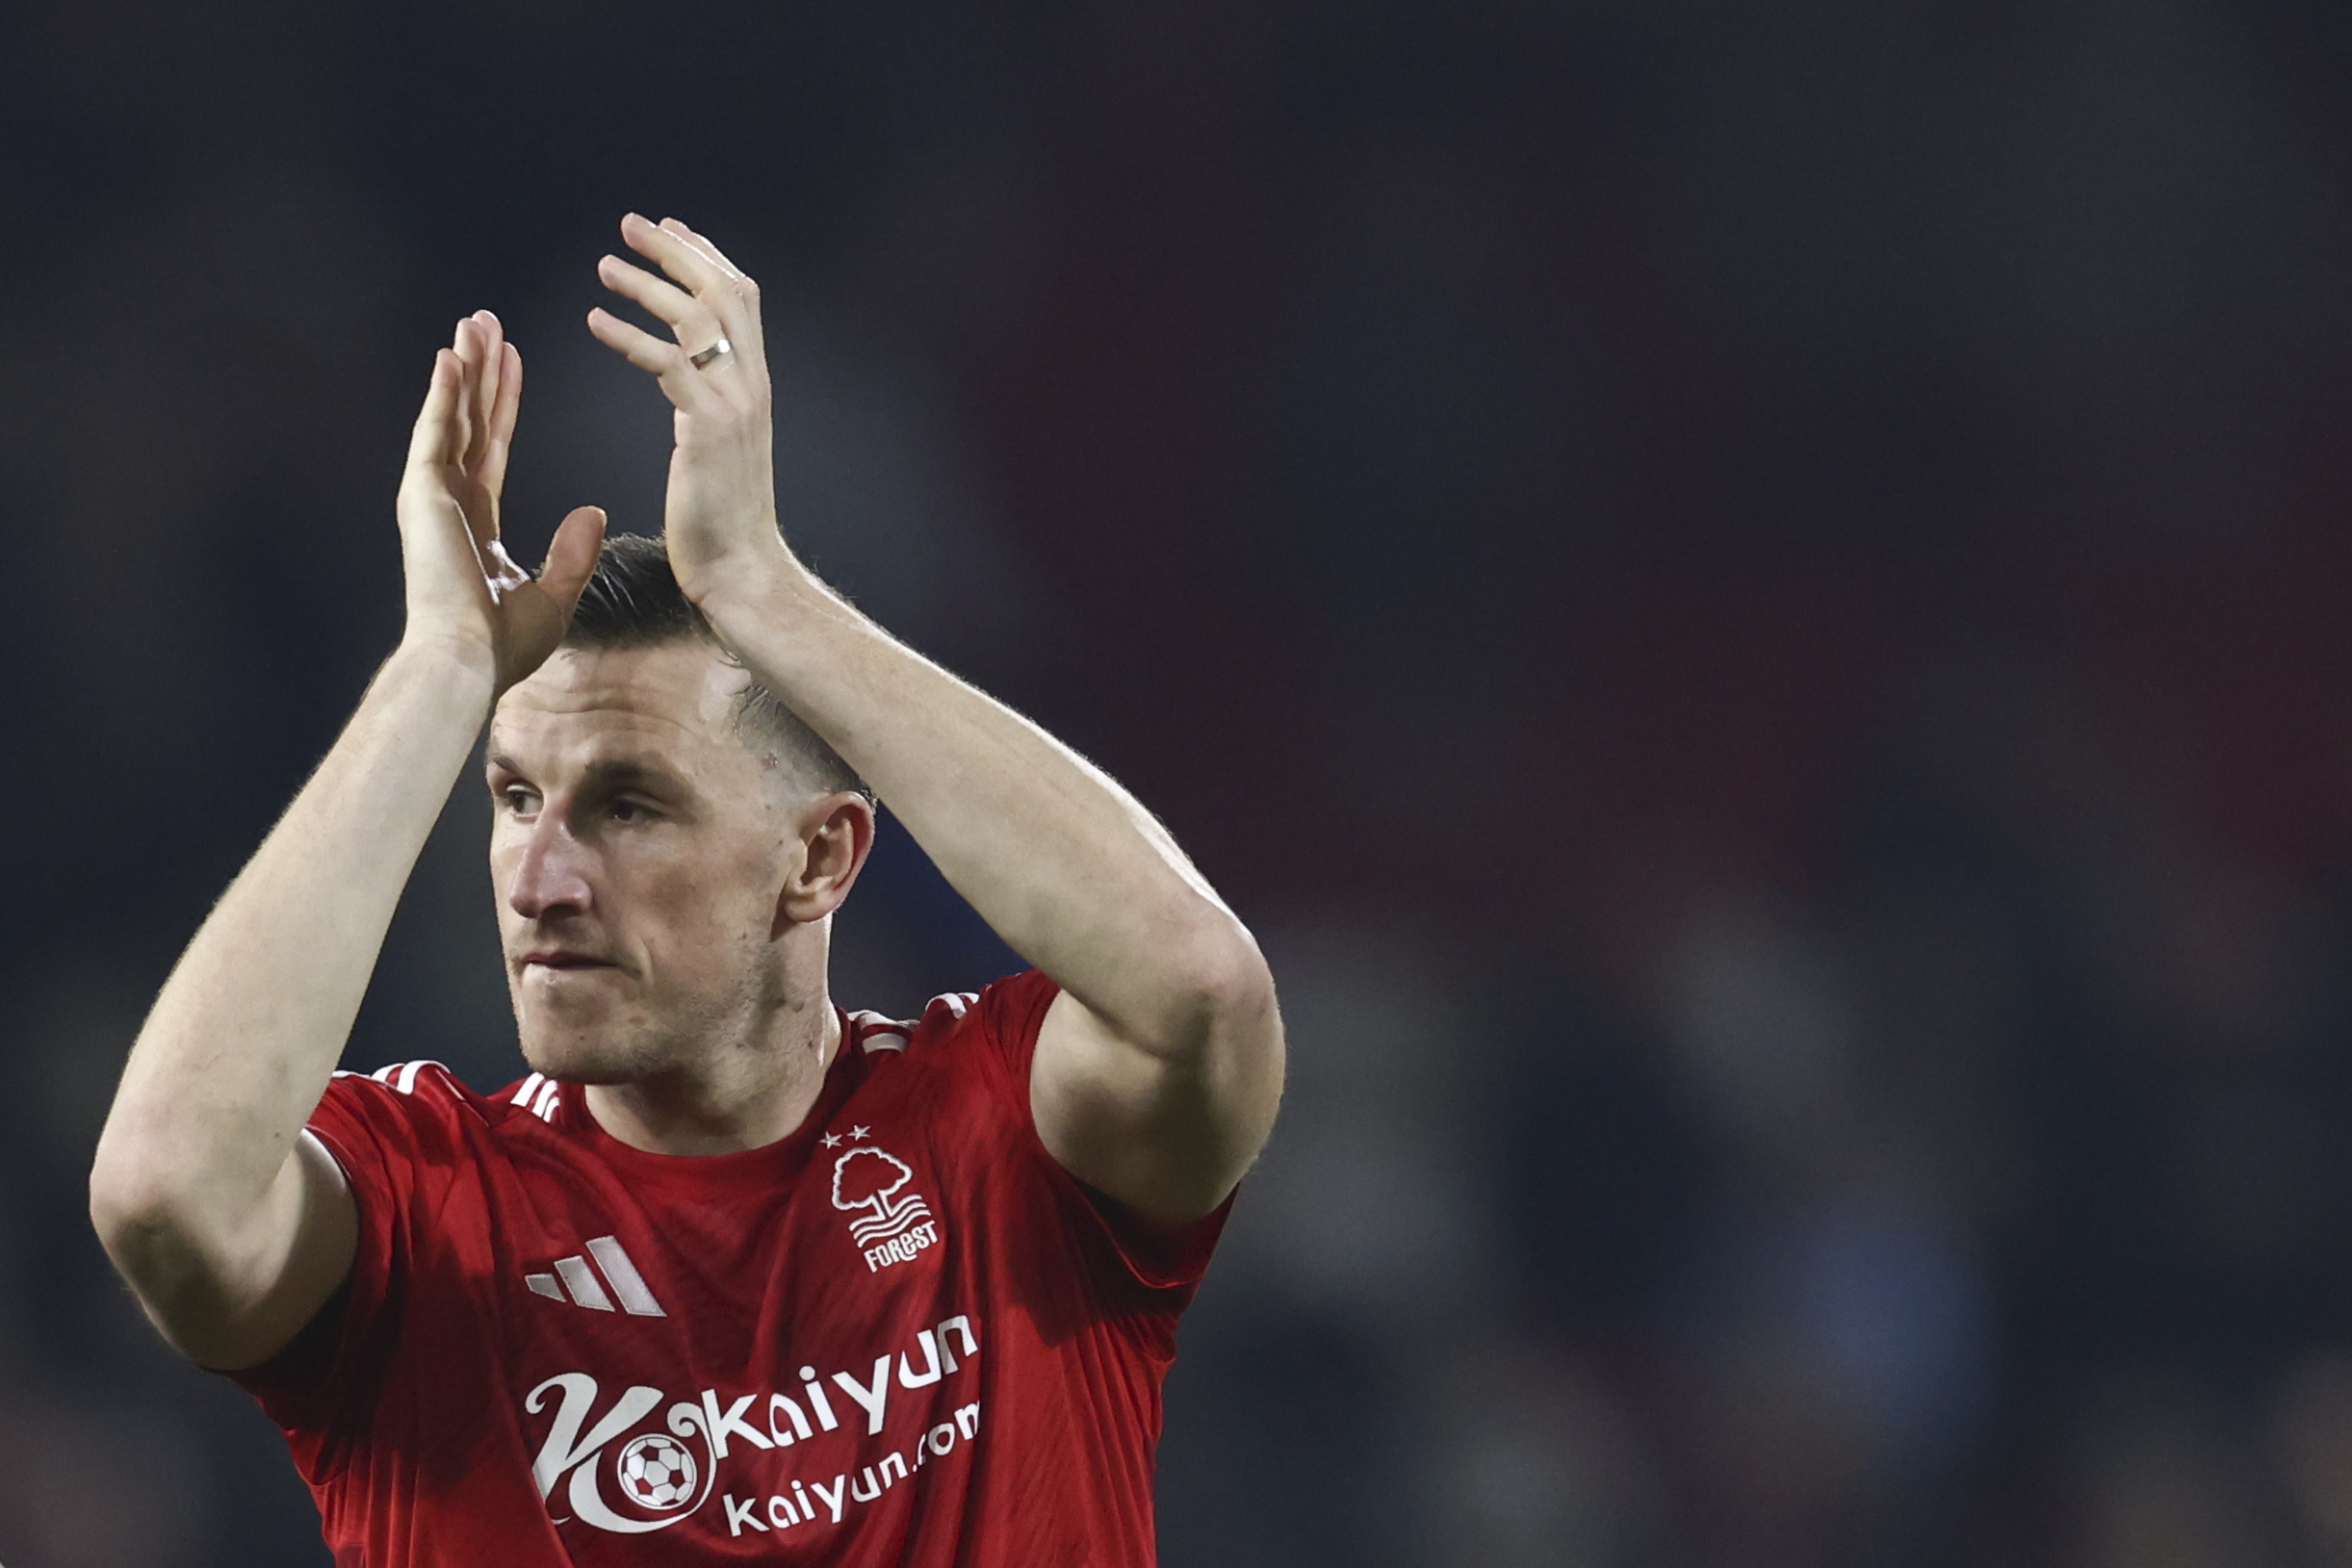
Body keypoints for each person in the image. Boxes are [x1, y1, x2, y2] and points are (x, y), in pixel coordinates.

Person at [88, 214, 1284, 1565]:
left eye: (629, 806)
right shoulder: (425, 1212)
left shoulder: (1002, 1144)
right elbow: (163, 1192)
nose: (541, 880)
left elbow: (1198, 988)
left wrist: (763, 590)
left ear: (820, 856)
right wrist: (439, 671)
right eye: (514, 798)